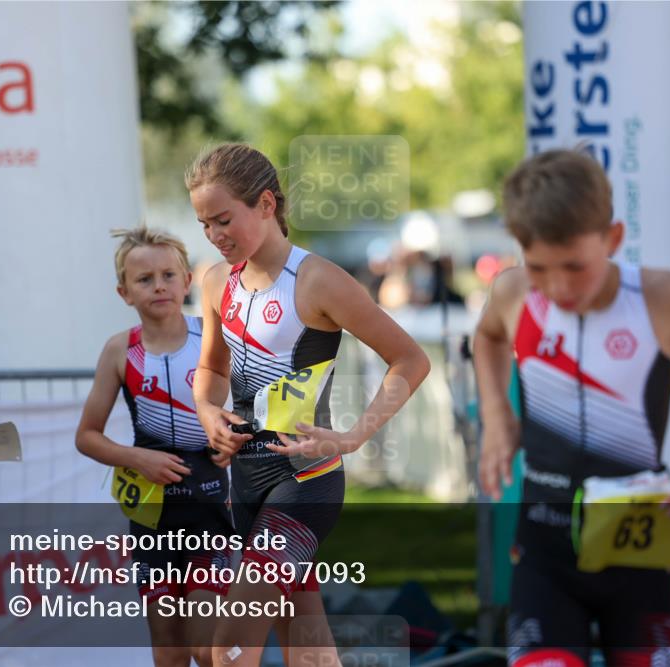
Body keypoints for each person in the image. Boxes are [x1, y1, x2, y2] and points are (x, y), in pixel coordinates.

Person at [472, 150, 670, 667]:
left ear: (613, 239)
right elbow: (487, 338)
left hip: (639, 556)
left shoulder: (664, 297)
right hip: (543, 552)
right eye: (539, 268)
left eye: (575, 267)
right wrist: (497, 417)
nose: (558, 288)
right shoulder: (513, 291)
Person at [186, 143, 431, 667]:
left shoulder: (317, 279)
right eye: (204, 224)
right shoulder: (216, 282)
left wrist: (355, 435)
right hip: (245, 482)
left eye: (223, 220)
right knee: (310, 653)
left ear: (266, 204)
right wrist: (207, 411)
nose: (214, 235)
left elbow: (410, 359)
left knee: (228, 648)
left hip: (304, 482)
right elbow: (211, 370)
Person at [75, 227, 233, 667]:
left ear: (187, 281)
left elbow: (250, 403)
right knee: (168, 651)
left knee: (206, 648)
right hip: (152, 520)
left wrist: (232, 439)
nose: (159, 286)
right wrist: (136, 457)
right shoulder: (119, 351)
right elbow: (86, 435)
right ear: (124, 292)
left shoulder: (213, 337)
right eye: (144, 279)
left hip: (209, 512)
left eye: (168, 275)